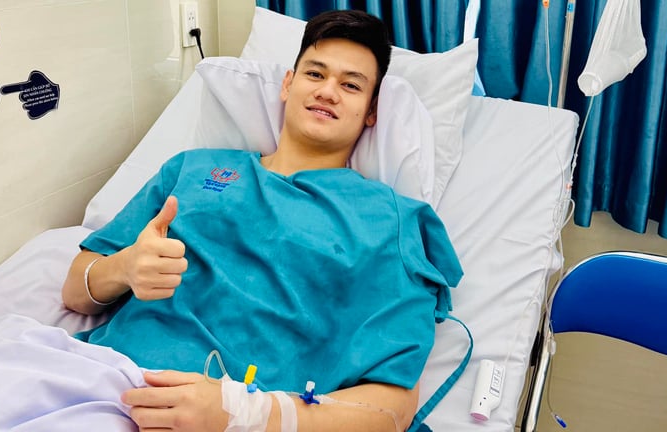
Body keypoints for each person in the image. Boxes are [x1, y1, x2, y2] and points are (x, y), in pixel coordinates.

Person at [61, 9, 462, 432]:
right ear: (288, 84)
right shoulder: (191, 169)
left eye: (350, 85)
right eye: (315, 74)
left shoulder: (388, 219)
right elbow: (76, 292)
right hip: (104, 385)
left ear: (371, 111)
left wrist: (243, 412)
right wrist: (124, 268)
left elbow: (394, 408)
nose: (328, 91)